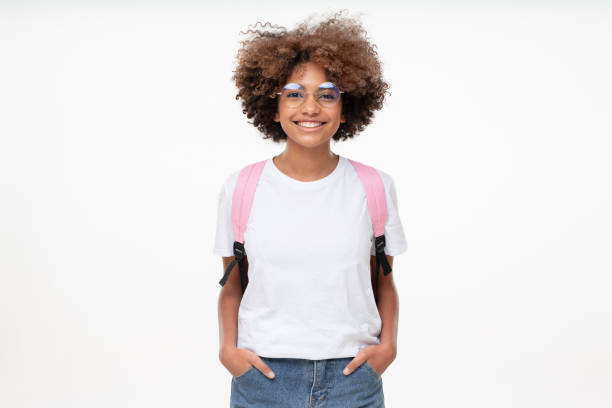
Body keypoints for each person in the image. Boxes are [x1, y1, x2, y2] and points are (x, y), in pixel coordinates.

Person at [214, 10, 408, 407]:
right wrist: (229, 354)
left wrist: (386, 349)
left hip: (352, 379)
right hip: (263, 379)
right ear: (272, 105)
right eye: (294, 93)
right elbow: (232, 284)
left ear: (345, 105)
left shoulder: (374, 186)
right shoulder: (242, 188)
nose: (310, 107)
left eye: (326, 94)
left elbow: (383, 281)